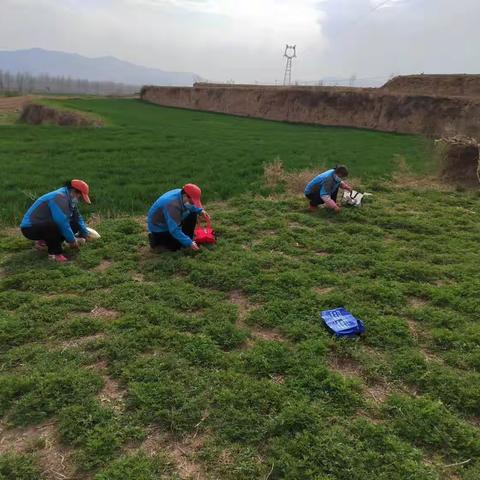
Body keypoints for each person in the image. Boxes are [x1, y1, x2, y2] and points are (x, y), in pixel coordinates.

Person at [20, 179, 92, 263]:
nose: (79, 200)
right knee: (53, 225)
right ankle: (55, 254)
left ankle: (44, 242)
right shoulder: (59, 197)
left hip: (44, 226)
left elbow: (77, 217)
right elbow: (62, 222)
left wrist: (85, 234)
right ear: (73, 191)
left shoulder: (70, 199)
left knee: (74, 223)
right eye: (80, 197)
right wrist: (72, 240)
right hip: (30, 228)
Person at [147, 183, 209, 252]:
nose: (193, 204)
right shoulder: (172, 205)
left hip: (170, 219)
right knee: (177, 246)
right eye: (192, 202)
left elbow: (192, 206)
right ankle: (155, 240)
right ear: (185, 196)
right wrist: (189, 243)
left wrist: (200, 211)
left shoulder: (182, 193)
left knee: (193, 213)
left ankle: (187, 238)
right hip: (159, 228)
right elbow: (174, 229)